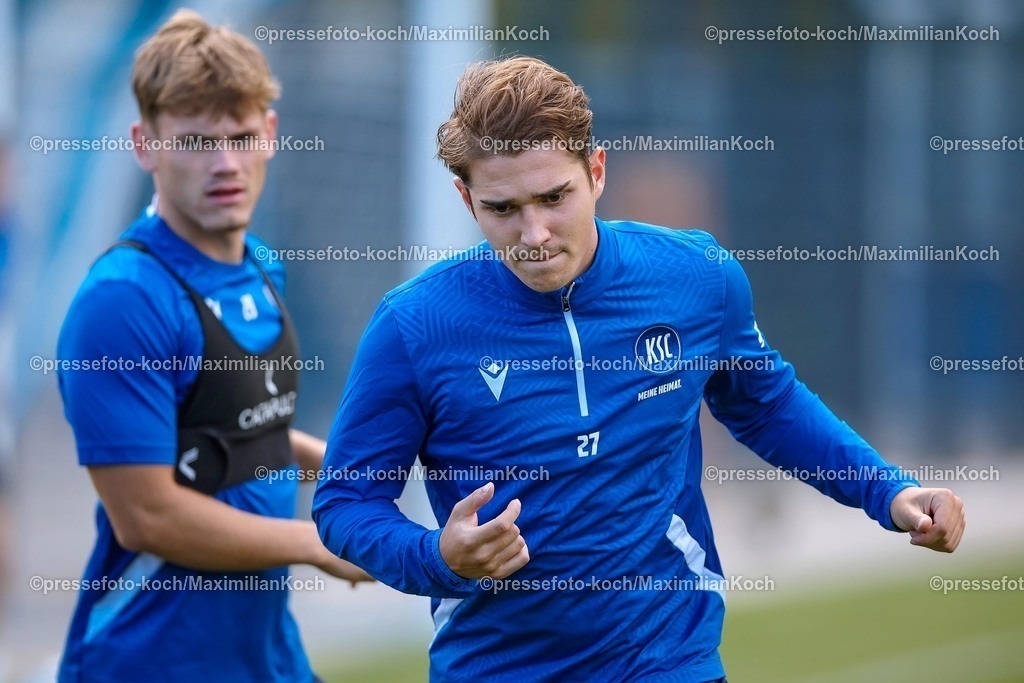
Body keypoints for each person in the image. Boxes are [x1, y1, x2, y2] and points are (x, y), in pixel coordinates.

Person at [312, 56, 966, 682]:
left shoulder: (695, 279)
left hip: (669, 660)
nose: (534, 232)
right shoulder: (415, 325)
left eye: (553, 196)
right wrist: (437, 557)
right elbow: (346, 502)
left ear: (596, 171)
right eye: (503, 209)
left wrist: (888, 492)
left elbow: (768, 404)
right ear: (465, 198)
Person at [56, 11, 368, 683]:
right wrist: (318, 543)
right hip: (149, 660)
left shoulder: (262, 266)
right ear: (145, 145)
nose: (224, 163)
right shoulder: (125, 299)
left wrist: (363, 469)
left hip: (265, 655)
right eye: (196, 140)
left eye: (240, 136)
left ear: (271, 135)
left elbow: (247, 436)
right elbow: (146, 515)